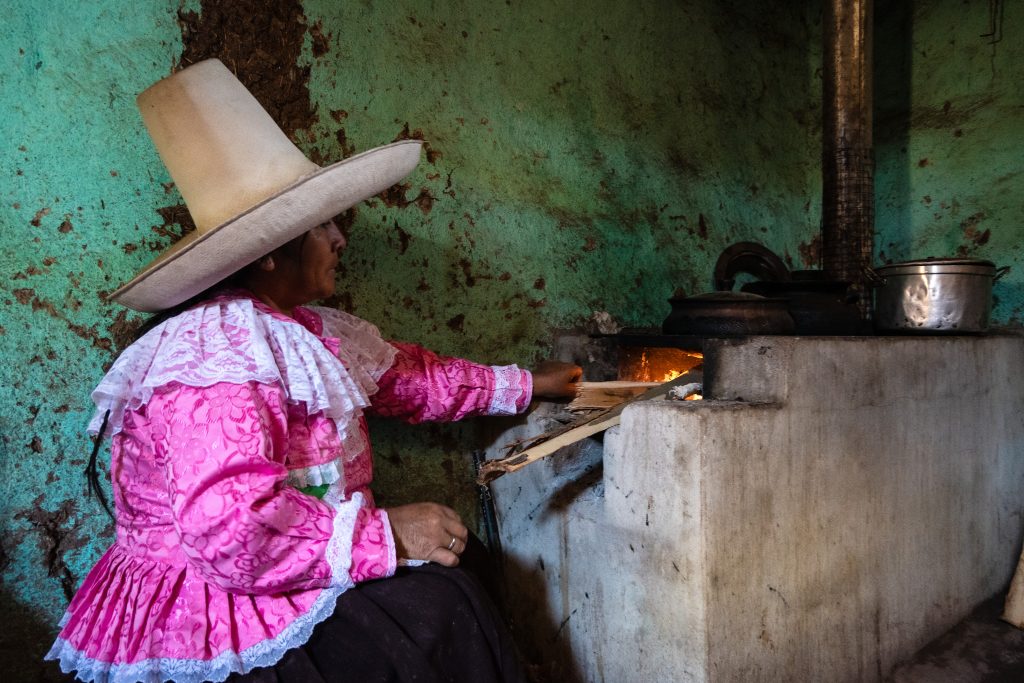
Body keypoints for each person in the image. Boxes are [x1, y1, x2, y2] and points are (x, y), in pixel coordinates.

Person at [45, 59, 581, 683]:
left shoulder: (304, 333)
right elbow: (230, 529)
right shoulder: (213, 351)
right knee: (438, 607)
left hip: (281, 567)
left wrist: (527, 384)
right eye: (323, 225)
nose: (339, 239)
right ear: (269, 254)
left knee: (460, 570)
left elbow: (409, 381)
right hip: (214, 609)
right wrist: (388, 534)